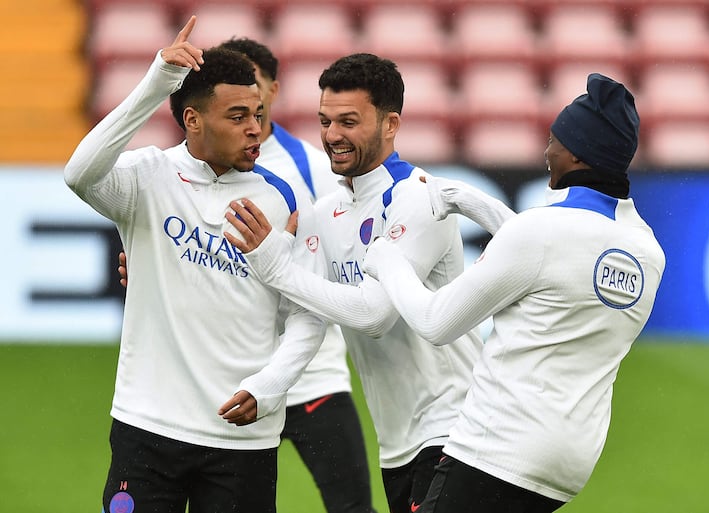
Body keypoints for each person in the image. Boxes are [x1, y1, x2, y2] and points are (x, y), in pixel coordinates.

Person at [362, 73, 666, 512]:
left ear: (577, 154)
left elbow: (436, 322)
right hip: (568, 464)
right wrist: (468, 199)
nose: (546, 152)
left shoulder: (541, 232)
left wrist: (385, 259)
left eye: (554, 141)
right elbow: (554, 263)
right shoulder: (647, 251)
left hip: (498, 448)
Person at [64, 17, 327, 513]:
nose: (255, 128)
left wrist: (269, 387)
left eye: (258, 113)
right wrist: (156, 82)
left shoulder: (285, 199)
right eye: (237, 116)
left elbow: (309, 314)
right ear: (192, 120)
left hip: (241, 438)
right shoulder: (146, 177)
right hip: (147, 425)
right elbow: (79, 173)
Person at [117, 36, 377, 513]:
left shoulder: (310, 168)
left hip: (312, 376)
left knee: (352, 506)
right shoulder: (191, 163)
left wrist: (284, 265)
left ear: (272, 90)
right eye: (236, 106)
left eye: (254, 93)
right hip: (226, 384)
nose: (249, 118)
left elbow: (340, 261)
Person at [222, 53, 482, 513]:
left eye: (348, 122)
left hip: (455, 431)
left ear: (390, 124)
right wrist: (269, 384)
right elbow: (308, 314)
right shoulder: (325, 213)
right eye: (325, 121)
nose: (332, 136)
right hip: (399, 444)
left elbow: (374, 315)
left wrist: (277, 267)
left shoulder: (419, 199)